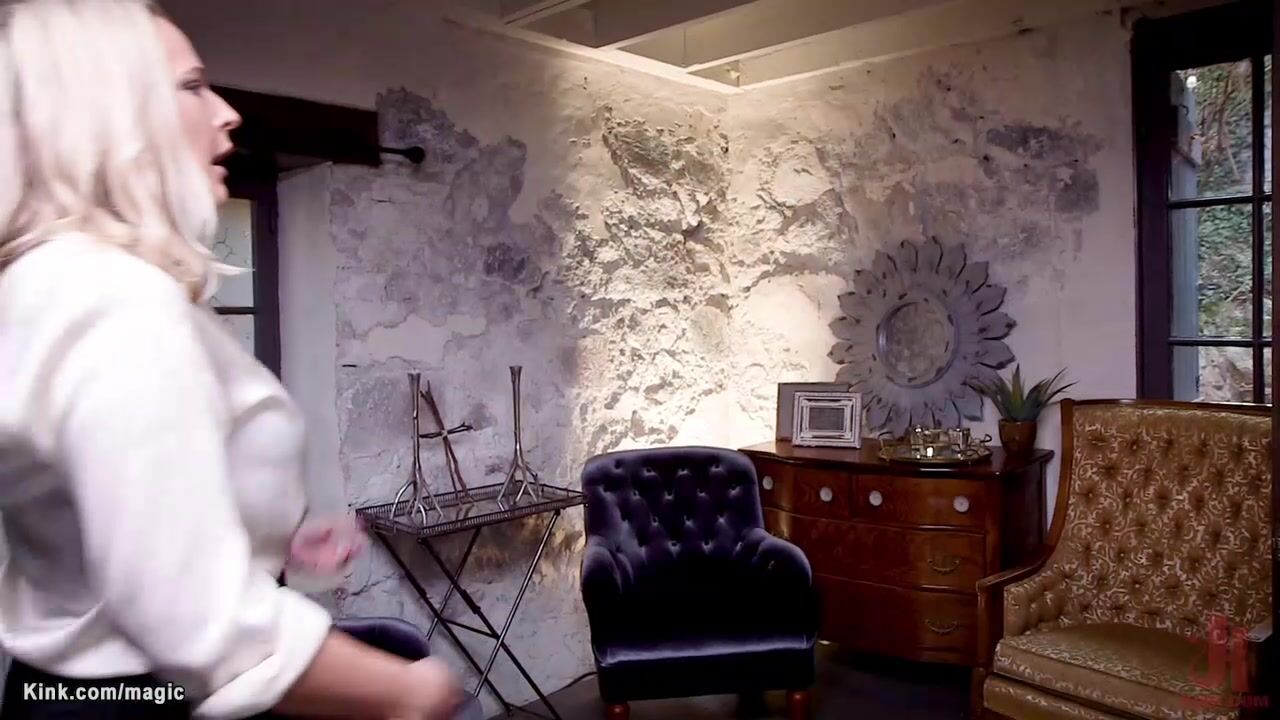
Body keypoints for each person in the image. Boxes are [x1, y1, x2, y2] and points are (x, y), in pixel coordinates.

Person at [0, 1, 464, 717]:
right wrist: (410, 691)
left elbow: (107, 522)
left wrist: (262, 536)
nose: (227, 112)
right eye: (191, 87)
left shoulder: (55, 280)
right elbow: (197, 622)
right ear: (108, 115)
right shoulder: (114, 297)